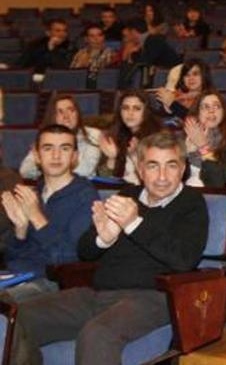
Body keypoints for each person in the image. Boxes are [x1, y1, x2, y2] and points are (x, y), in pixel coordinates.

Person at [9, 132, 208, 365]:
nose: (162, 176)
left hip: (154, 297)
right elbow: (85, 252)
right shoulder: (127, 195)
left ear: (183, 168)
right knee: (17, 317)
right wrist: (103, 239)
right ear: (140, 170)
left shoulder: (191, 203)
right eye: (153, 166)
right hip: (98, 294)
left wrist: (134, 224)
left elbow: (184, 260)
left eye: (171, 166)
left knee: (97, 334)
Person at [1, 125, 97, 303]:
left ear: (75, 157)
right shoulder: (33, 193)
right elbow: (13, 258)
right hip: (17, 276)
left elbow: (70, 261)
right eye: (48, 148)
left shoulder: (86, 197)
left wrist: (37, 217)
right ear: (36, 155)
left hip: (53, 284)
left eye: (64, 148)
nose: (56, 155)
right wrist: (20, 231)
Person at [20, 95, 101, 180]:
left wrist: (43, 167)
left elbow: (85, 170)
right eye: (60, 112)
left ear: (78, 114)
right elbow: (25, 170)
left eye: (71, 110)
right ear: (53, 117)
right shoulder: (46, 137)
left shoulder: (93, 134)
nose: (66, 116)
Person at [184, 91, 226, 188]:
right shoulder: (186, 137)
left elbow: (220, 182)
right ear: (197, 113)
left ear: (224, 112)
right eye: (205, 107)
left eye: (216, 106)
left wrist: (203, 147)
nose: (211, 111)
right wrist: (186, 154)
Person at [96, 91, 162, 184]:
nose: (130, 113)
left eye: (137, 108)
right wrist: (112, 158)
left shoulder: (157, 138)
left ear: (146, 111)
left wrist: (135, 157)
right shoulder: (114, 134)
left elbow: (156, 182)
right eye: (125, 108)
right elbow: (104, 180)